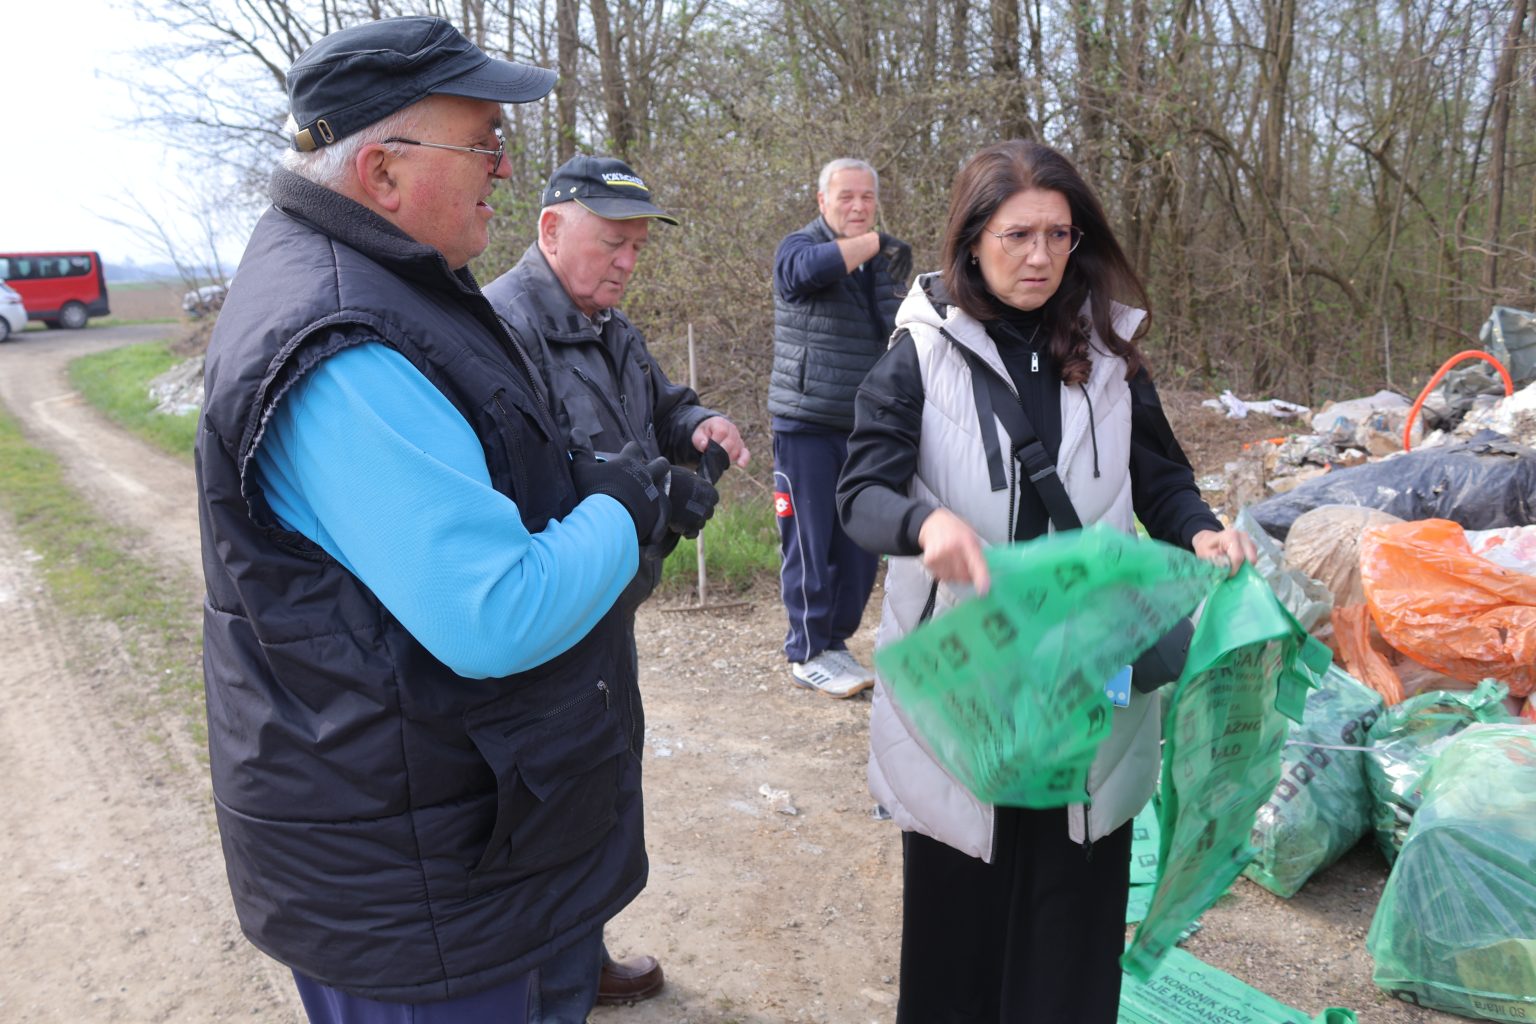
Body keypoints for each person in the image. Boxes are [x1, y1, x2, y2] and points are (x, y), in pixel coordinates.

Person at [196, 17, 674, 1023]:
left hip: (463, 843)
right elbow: (493, 613)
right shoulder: (341, 344)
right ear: (382, 171)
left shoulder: (394, 285)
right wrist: (626, 505)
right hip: (421, 895)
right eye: (485, 143)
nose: (506, 168)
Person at [836, 139, 1258, 1023]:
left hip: (1088, 677)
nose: (1040, 257)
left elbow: (1162, 479)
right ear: (973, 239)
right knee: (960, 932)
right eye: (1017, 235)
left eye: (1058, 236)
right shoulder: (920, 352)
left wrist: (1201, 529)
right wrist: (924, 525)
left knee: (1071, 926)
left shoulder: (1109, 354)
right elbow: (861, 493)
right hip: (971, 681)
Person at [483, 154, 747, 1018]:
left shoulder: (609, 322)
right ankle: (548, 981)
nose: (628, 261)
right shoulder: (502, 328)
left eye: (638, 245)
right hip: (549, 608)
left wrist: (697, 423)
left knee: (603, 775)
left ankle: (581, 954)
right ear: (551, 230)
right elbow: (536, 479)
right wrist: (658, 497)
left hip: (608, 603)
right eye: (612, 242)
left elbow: (659, 405)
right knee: (555, 790)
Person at [770, 157, 912, 698]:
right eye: (846, 196)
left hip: (863, 427)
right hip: (806, 424)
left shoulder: (881, 265)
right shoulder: (799, 247)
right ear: (822, 201)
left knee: (860, 545)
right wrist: (874, 242)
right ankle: (807, 651)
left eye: (867, 197)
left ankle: (835, 643)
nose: (857, 206)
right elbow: (803, 273)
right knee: (809, 541)